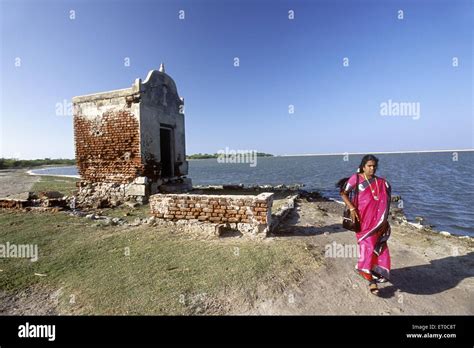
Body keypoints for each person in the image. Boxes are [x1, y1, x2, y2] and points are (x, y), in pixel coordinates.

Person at [336, 154, 392, 295]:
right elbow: (343, 192)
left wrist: (384, 221)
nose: (372, 168)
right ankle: (370, 280)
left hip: (378, 222)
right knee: (367, 246)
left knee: (379, 246)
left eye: (374, 166)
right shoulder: (356, 178)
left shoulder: (381, 182)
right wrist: (352, 208)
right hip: (363, 221)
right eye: (369, 166)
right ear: (363, 166)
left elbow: (386, 202)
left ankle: (373, 271)